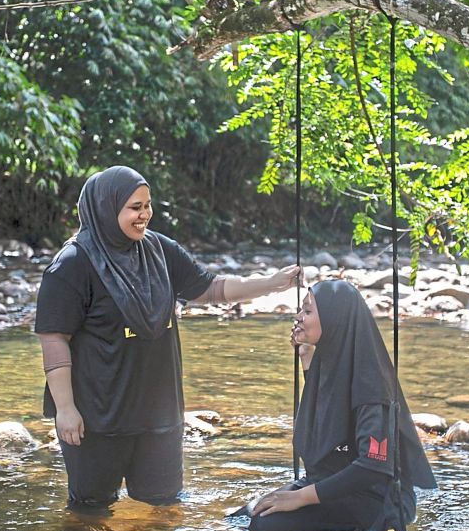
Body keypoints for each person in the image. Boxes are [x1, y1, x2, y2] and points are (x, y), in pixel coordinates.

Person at [35, 165, 300, 509]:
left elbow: (210, 288)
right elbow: (54, 338)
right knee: (90, 513)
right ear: (105, 208)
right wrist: (66, 409)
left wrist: (271, 283)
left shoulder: (160, 250)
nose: (145, 214)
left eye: (148, 205)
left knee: (164, 509)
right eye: (135, 207)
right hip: (98, 419)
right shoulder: (72, 264)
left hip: (159, 416)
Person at [246, 279, 436, 531]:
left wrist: (299, 497)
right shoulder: (335, 358)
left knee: (264, 525)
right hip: (334, 483)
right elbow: (331, 418)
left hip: (374, 499)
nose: (298, 317)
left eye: (307, 311)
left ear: (334, 319)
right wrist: (306, 355)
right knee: (249, 512)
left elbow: (373, 465)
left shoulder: (372, 384)